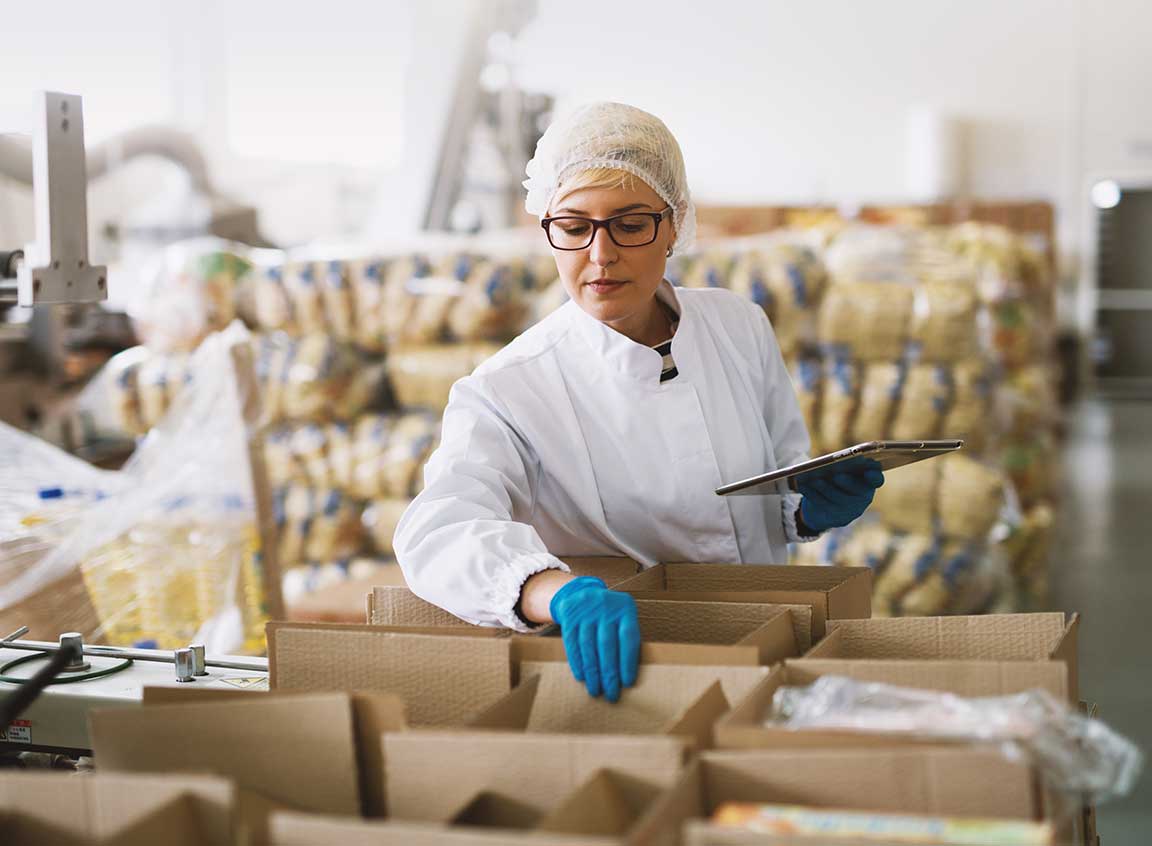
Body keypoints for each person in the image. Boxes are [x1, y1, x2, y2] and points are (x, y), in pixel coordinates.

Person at [395, 102, 883, 703]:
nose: (600, 256)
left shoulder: (738, 327)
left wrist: (812, 509)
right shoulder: (508, 389)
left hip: (778, 642)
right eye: (574, 227)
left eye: (629, 224)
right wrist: (555, 590)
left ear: (674, 224)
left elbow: (777, 484)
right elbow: (436, 530)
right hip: (635, 673)